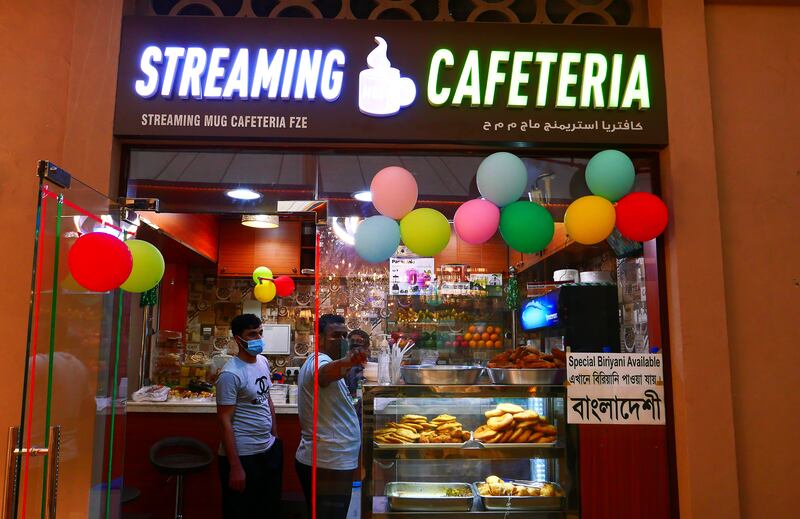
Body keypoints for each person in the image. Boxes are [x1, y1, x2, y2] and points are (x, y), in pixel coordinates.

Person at [295, 314, 367, 519]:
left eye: (345, 336)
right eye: (336, 335)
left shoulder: (333, 362)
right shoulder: (319, 361)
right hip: (327, 461)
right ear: (320, 338)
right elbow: (324, 375)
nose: (343, 341)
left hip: (334, 460)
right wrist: (349, 360)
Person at [216, 313, 283, 519]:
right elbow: (224, 421)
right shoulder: (230, 374)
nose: (259, 338)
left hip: (268, 449)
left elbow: (267, 400)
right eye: (252, 334)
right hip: (244, 455)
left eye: (260, 333)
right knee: (242, 511)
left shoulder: (262, 362)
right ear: (238, 339)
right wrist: (235, 467)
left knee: (267, 509)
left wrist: (276, 438)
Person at [344, 329, 370, 398]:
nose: (355, 343)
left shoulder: (373, 366)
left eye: (359, 341)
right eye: (352, 341)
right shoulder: (343, 366)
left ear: (367, 345)